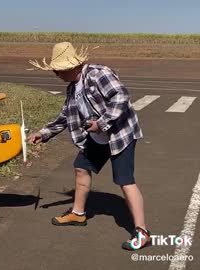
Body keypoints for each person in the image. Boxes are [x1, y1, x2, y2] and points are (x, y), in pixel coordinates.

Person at [27, 42, 150, 250]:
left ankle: (142, 231)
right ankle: (78, 213)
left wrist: (101, 123)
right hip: (97, 136)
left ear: (73, 66)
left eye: (59, 69)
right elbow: (65, 116)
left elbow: (121, 96)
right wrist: (43, 133)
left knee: (124, 180)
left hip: (120, 133)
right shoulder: (72, 88)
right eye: (55, 70)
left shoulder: (97, 74)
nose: (56, 74)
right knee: (81, 167)